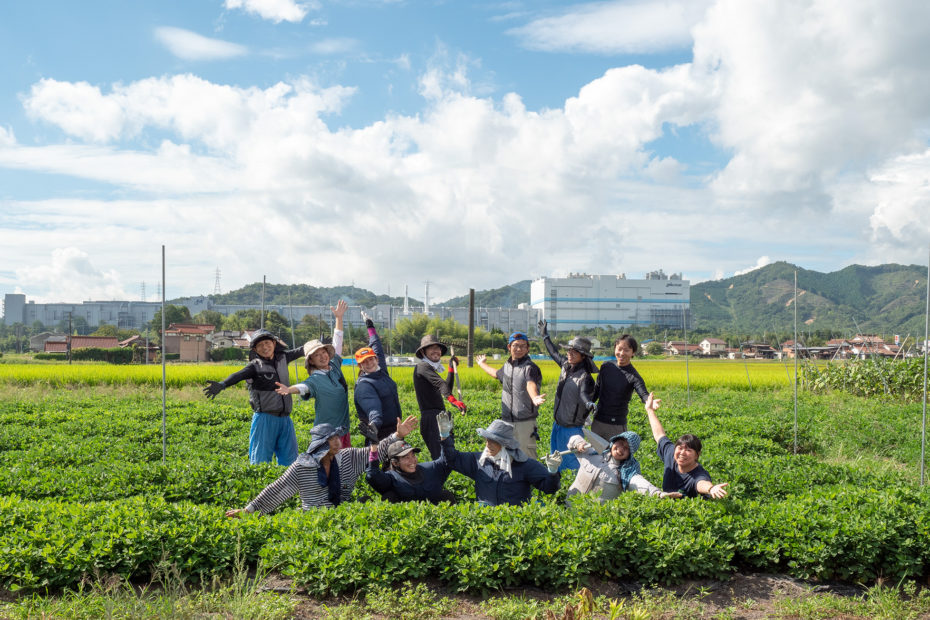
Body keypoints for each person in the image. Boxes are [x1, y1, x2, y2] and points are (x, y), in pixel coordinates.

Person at [225, 415, 418, 516]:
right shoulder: (303, 467)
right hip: (313, 518)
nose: (337, 442)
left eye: (337, 438)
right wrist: (248, 510)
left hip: (341, 514)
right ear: (320, 445)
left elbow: (375, 452)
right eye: (331, 439)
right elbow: (278, 489)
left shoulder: (347, 457)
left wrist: (397, 435)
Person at [203, 329, 305, 466]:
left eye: (267, 343)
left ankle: (286, 481)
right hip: (265, 419)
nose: (265, 347)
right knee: (260, 462)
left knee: (290, 462)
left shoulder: (283, 358)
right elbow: (238, 375)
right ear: (255, 350)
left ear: (274, 343)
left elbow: (301, 350)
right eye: (260, 345)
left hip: (285, 419)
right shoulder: (255, 366)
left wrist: (320, 344)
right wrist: (222, 384)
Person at [274, 300, 352, 448]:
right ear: (311, 361)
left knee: (345, 460)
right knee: (327, 460)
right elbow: (304, 387)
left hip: (343, 429)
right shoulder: (315, 379)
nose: (323, 357)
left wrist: (339, 318)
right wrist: (289, 390)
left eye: (323, 352)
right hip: (326, 434)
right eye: (317, 355)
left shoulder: (334, 365)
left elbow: (338, 340)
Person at [438, 417, 561, 506]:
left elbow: (549, 488)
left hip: (515, 522)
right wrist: (445, 436)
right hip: (485, 520)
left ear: (505, 445)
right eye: (487, 440)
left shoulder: (525, 465)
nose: (488, 445)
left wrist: (552, 472)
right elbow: (452, 459)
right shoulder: (479, 461)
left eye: (493, 441)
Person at [643, 392, 729, 499]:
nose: (682, 453)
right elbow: (659, 435)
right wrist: (650, 410)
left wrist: (711, 488)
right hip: (666, 504)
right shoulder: (671, 454)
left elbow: (701, 483)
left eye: (688, 450)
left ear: (697, 455)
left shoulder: (698, 475)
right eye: (680, 448)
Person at [475, 332, 545, 459]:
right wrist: (482, 364)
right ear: (509, 347)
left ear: (528, 349)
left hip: (524, 422)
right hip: (507, 422)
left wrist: (534, 397)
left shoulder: (530, 367)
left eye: (523, 346)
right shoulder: (507, 366)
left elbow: (530, 384)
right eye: (515, 345)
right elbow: (496, 374)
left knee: (527, 457)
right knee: (507, 457)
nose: (519, 349)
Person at [539, 320, 597, 471]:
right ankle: (557, 483)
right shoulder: (565, 366)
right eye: (569, 351)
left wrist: (589, 403)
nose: (569, 354)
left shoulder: (585, 377)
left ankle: (575, 486)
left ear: (583, 356)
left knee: (573, 464)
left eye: (574, 352)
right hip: (558, 425)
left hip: (572, 429)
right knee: (555, 460)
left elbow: (584, 394)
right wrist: (545, 336)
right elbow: (553, 353)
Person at [365, 416, 456, 504]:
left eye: (413, 455)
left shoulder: (429, 469)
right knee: (389, 497)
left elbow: (447, 461)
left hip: (434, 513)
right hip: (405, 514)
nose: (412, 460)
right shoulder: (392, 478)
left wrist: (446, 436)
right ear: (395, 463)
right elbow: (372, 475)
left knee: (446, 495)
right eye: (406, 457)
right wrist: (374, 446)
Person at [566, 432, 680, 502]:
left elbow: (641, 484)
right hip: (570, 506)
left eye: (626, 448)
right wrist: (579, 444)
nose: (621, 449)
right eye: (620, 443)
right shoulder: (593, 454)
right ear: (613, 441)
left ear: (629, 455)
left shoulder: (626, 473)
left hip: (593, 519)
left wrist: (658, 494)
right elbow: (574, 438)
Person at [412, 334, 467, 459]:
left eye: (437, 348)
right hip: (431, 419)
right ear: (423, 352)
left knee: (448, 455)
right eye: (431, 348)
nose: (436, 351)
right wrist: (453, 401)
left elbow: (446, 387)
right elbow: (441, 384)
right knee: (440, 457)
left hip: (440, 416)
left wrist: (451, 369)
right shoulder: (422, 367)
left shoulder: (431, 369)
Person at [354, 311, 402, 441]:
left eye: (371, 359)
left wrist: (370, 326)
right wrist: (374, 425)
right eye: (364, 362)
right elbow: (373, 408)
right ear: (360, 366)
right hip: (379, 434)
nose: (369, 363)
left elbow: (377, 346)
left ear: (376, 359)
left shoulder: (381, 371)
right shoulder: (364, 385)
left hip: (395, 430)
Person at [591, 335, 649, 439]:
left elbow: (643, 394)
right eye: (619, 349)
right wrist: (586, 406)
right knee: (594, 449)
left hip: (616, 426)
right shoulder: (606, 367)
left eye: (626, 350)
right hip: (598, 422)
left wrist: (649, 401)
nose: (622, 353)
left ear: (633, 353)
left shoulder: (634, 376)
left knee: (615, 450)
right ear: (615, 349)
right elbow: (597, 390)